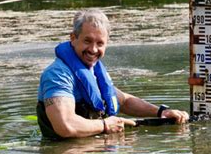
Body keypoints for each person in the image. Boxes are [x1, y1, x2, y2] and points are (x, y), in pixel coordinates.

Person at [37, 10, 189, 139]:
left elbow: (123, 101)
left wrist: (161, 112)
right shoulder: (58, 75)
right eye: (87, 41)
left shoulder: (93, 70)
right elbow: (65, 125)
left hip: (97, 153)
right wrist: (105, 124)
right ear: (73, 38)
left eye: (100, 43)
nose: (93, 49)